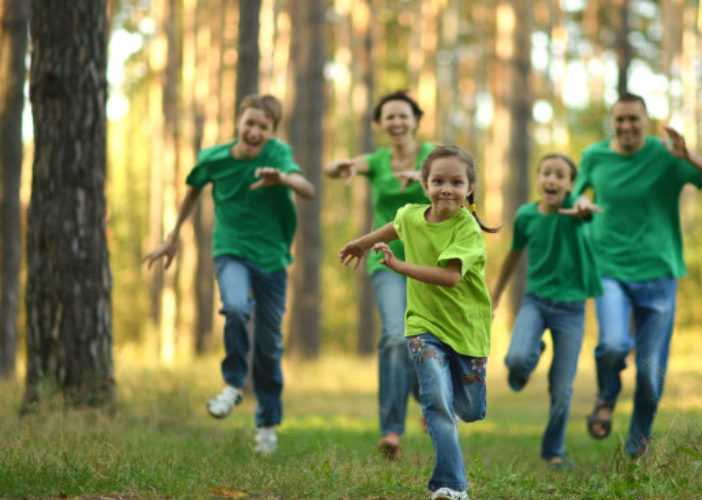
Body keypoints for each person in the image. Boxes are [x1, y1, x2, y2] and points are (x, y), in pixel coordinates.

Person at [144, 94, 315, 455]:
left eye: (263, 127)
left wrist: (282, 178)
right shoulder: (214, 158)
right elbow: (191, 192)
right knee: (236, 307)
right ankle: (234, 385)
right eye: (249, 123)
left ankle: (267, 425)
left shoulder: (277, 154)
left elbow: (308, 190)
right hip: (231, 251)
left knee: (269, 346)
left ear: (272, 132)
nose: (254, 132)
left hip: (272, 258)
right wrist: (172, 237)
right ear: (238, 122)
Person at [570, 93, 702, 459]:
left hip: (658, 272)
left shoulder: (666, 155)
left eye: (633, 119)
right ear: (613, 122)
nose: (626, 126)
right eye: (620, 119)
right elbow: (576, 195)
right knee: (612, 343)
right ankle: (607, 395)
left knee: (649, 373)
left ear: (645, 120)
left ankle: (636, 446)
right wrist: (579, 203)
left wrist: (688, 156)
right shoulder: (595, 155)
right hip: (608, 266)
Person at [338, 145, 496, 500]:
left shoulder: (467, 230)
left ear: (470, 188)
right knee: (436, 402)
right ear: (424, 184)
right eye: (438, 181)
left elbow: (449, 277)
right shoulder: (412, 215)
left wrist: (399, 267)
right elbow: (395, 227)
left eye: (456, 182)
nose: (446, 189)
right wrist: (362, 244)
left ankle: (453, 411)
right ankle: (452, 486)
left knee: (468, 409)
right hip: (423, 326)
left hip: (467, 330)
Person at [324, 90, 434, 459]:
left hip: (429, 264)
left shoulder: (432, 156)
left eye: (403, 115)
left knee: (422, 339)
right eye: (389, 117)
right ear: (380, 124)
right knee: (393, 336)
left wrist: (423, 176)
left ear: (416, 119)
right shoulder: (376, 160)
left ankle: (427, 399)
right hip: (385, 261)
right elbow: (329, 169)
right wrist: (344, 167)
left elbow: (461, 183)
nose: (397, 122)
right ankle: (392, 430)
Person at [491, 153, 602, 470]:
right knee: (514, 360)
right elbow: (512, 257)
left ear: (570, 184)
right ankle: (530, 353)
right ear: (539, 179)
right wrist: (495, 297)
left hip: (571, 309)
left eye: (560, 176)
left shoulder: (575, 210)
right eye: (547, 174)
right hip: (536, 301)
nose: (552, 180)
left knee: (561, 388)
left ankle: (554, 450)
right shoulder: (526, 215)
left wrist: (581, 205)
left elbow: (585, 212)